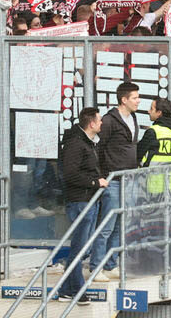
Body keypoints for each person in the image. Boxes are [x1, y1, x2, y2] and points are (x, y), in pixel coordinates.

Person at [58, 108, 108, 301]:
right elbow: (70, 174)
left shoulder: (87, 144)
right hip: (80, 201)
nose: (102, 123)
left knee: (82, 248)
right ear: (91, 123)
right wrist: (95, 182)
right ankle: (77, 291)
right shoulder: (76, 144)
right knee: (79, 248)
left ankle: (65, 290)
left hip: (89, 200)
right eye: (100, 120)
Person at [93, 81, 140, 277]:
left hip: (128, 178)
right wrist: (102, 174)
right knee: (107, 225)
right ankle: (96, 266)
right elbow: (98, 148)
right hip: (113, 179)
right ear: (124, 100)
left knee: (121, 225)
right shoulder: (110, 120)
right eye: (135, 98)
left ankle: (110, 265)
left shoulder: (134, 117)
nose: (138, 101)